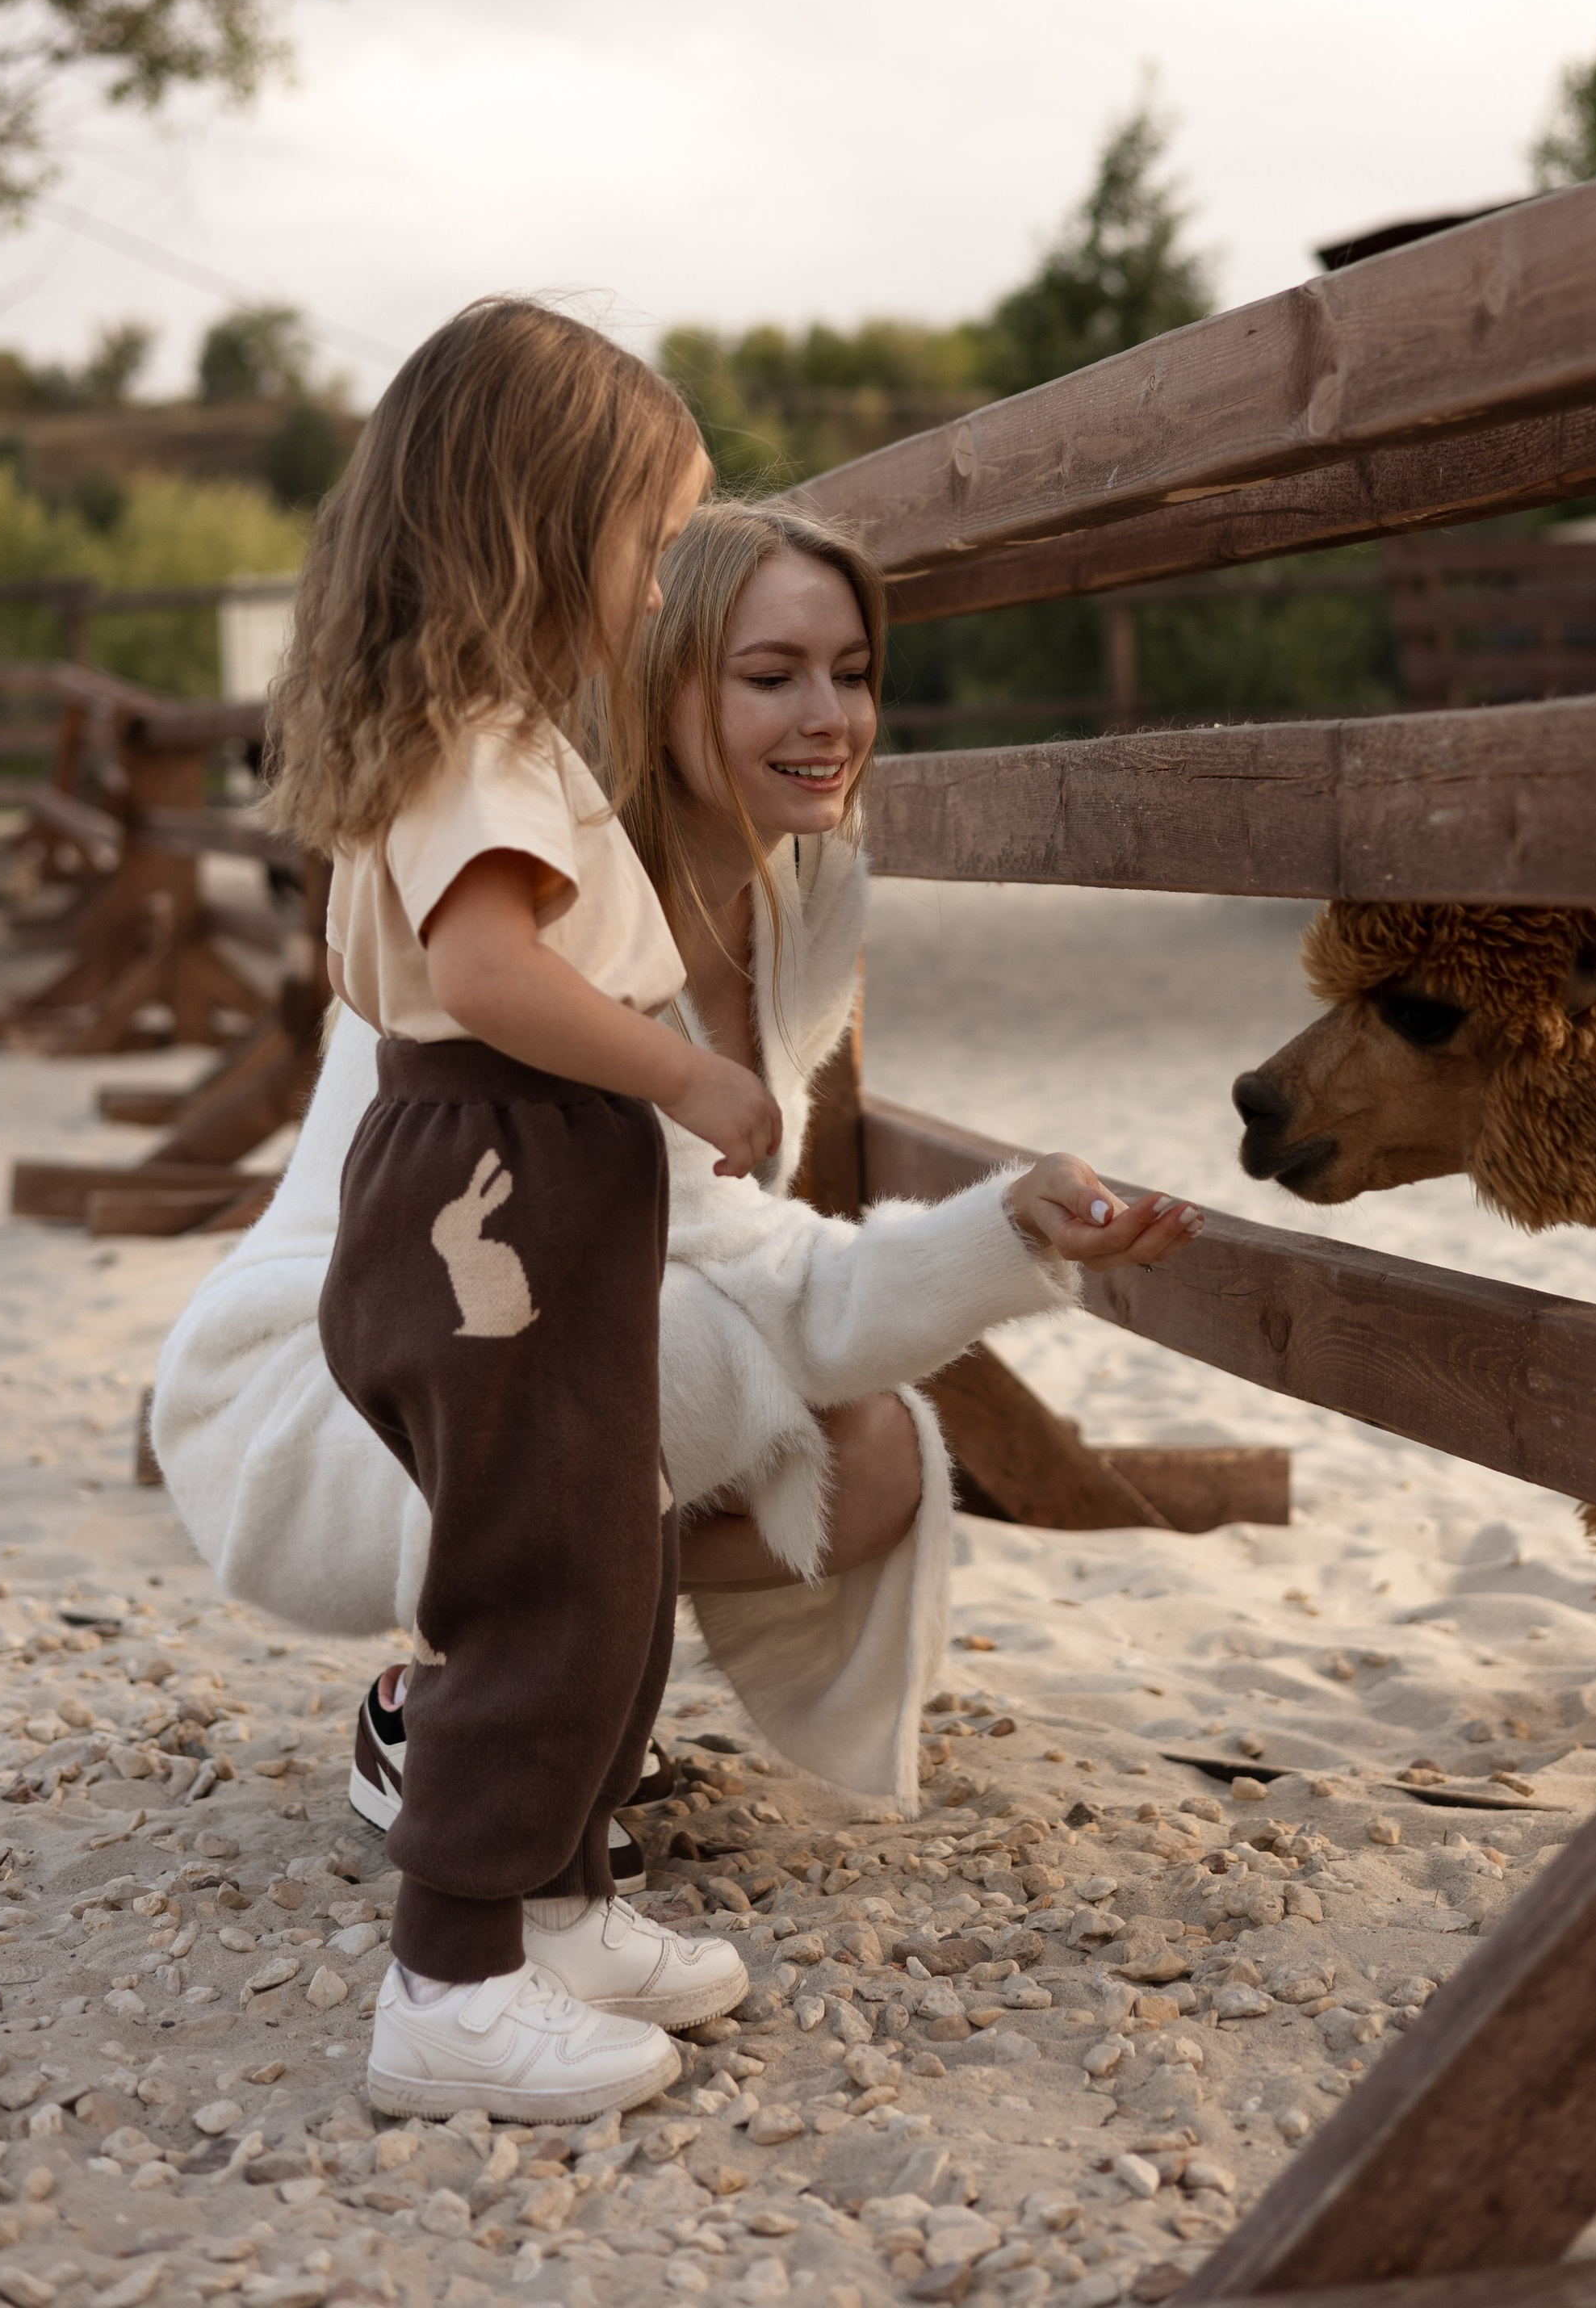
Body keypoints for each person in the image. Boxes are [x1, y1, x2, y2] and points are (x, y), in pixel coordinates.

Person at [154, 501, 1200, 1989]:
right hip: (322, 1389)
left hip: (515, 1343)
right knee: (682, 1351)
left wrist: (1015, 1221)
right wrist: (992, 1235)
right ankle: (468, 1748)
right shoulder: (556, 913)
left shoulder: (800, 886)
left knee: (875, 1462)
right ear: (665, 681)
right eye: (771, 675)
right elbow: (755, 1283)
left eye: (852, 671)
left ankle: (527, 1695)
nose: (828, 716)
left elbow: (745, 1244)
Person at [267, 295, 762, 2126]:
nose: (653, 590)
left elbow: (386, 974)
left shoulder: (456, 739)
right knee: (543, 1585)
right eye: (646, 542)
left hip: (502, 1187)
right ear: (537, 530)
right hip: (498, 1184)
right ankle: (453, 1978)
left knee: (606, 1542)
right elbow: (483, 968)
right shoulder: (473, 747)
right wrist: (684, 1075)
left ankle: (562, 1898)